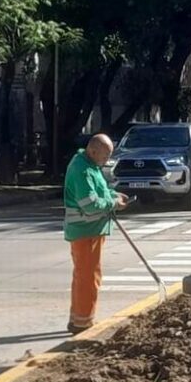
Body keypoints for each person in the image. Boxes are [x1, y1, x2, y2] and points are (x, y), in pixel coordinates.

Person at [63, 134, 130, 334]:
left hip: (89, 231)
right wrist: (113, 204)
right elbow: (90, 205)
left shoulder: (90, 166)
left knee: (85, 275)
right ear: (93, 151)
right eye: (106, 154)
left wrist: (113, 195)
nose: (107, 159)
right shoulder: (81, 169)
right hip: (85, 231)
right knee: (87, 277)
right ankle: (83, 322)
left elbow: (100, 190)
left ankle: (78, 317)